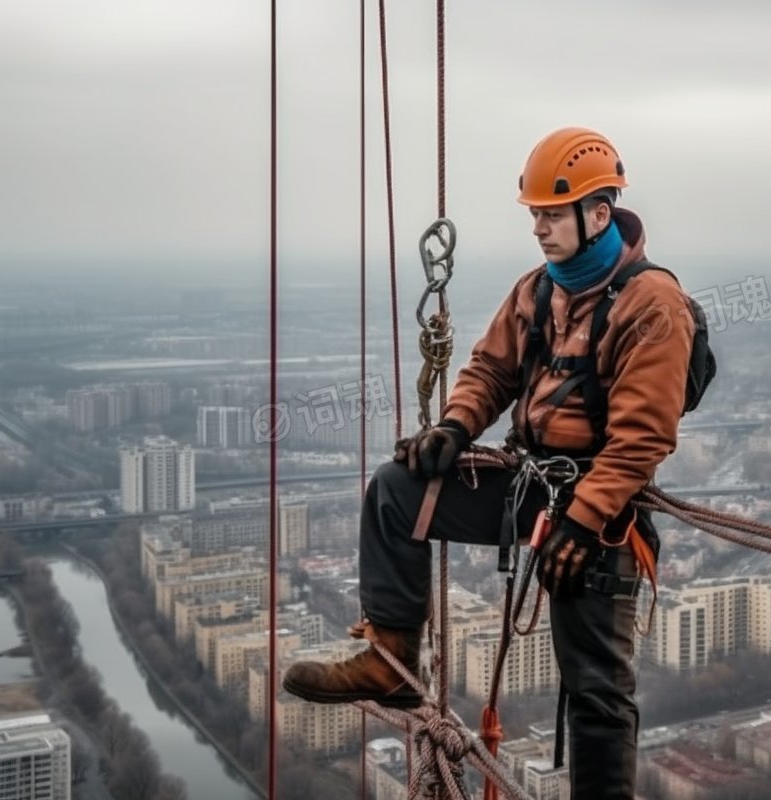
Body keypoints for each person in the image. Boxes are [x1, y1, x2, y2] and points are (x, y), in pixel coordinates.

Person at [283, 126, 696, 799]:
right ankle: (390, 657)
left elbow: (642, 440)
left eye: (551, 214)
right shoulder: (537, 291)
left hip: (605, 506)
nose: (538, 227)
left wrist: (584, 523)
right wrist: (455, 425)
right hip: (536, 484)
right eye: (534, 214)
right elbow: (490, 369)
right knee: (396, 489)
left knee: (596, 690)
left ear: (599, 214)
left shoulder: (653, 305)